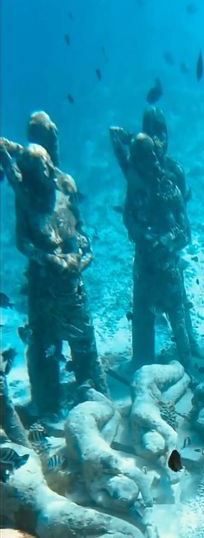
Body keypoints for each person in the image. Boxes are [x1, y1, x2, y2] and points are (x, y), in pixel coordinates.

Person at [0, 139, 106, 417]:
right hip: (44, 288)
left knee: (84, 344)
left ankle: (94, 396)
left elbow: (81, 235)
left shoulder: (66, 190)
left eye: (46, 168)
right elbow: (23, 243)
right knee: (44, 345)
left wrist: (81, 260)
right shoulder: (27, 201)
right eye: (37, 171)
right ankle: (48, 404)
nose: (44, 174)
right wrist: (49, 260)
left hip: (72, 285)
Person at [110, 129, 197, 373]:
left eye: (151, 156)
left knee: (177, 316)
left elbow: (185, 232)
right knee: (142, 317)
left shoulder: (169, 187)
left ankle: (187, 367)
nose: (151, 163)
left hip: (166, 264)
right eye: (143, 158)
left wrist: (165, 241)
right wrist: (144, 234)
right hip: (144, 265)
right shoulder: (134, 186)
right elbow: (128, 219)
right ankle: (142, 363)